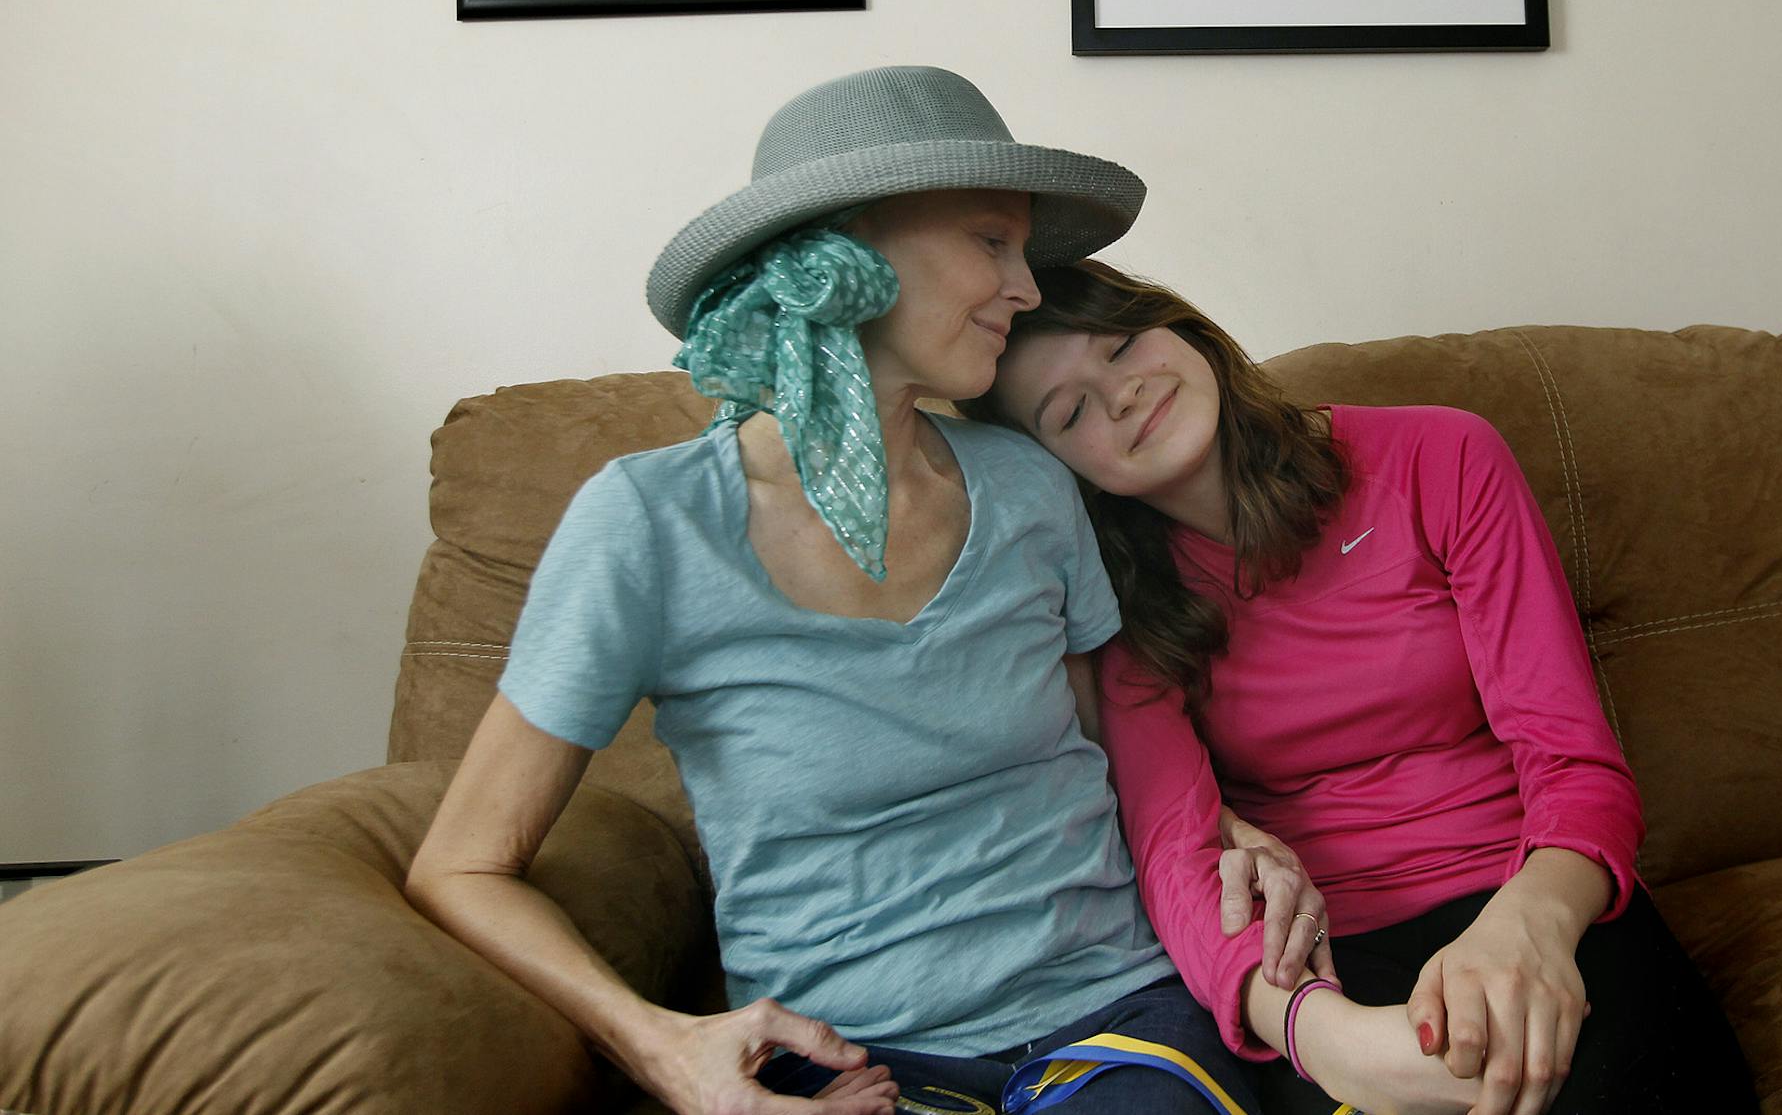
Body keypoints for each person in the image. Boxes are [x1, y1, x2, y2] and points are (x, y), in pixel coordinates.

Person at [403, 68, 1329, 1115]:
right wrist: (665, 1045)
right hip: (844, 1057)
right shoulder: (648, 523)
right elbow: (463, 865)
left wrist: (1225, 831)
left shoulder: (1030, 483)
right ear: (848, 247)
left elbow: (1114, 739)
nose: (1026, 289)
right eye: (992, 240)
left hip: (1112, 1021)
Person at [970, 262, 1762, 1115]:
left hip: (1534, 890)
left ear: (1182, 327)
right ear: (1059, 471)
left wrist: (1528, 926)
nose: (1121, 394)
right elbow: (1175, 852)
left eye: (1124, 344)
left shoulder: (1442, 456)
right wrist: (1321, 1031)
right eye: (1072, 410)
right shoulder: (1117, 595)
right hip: (1325, 953)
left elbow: (1573, 757)